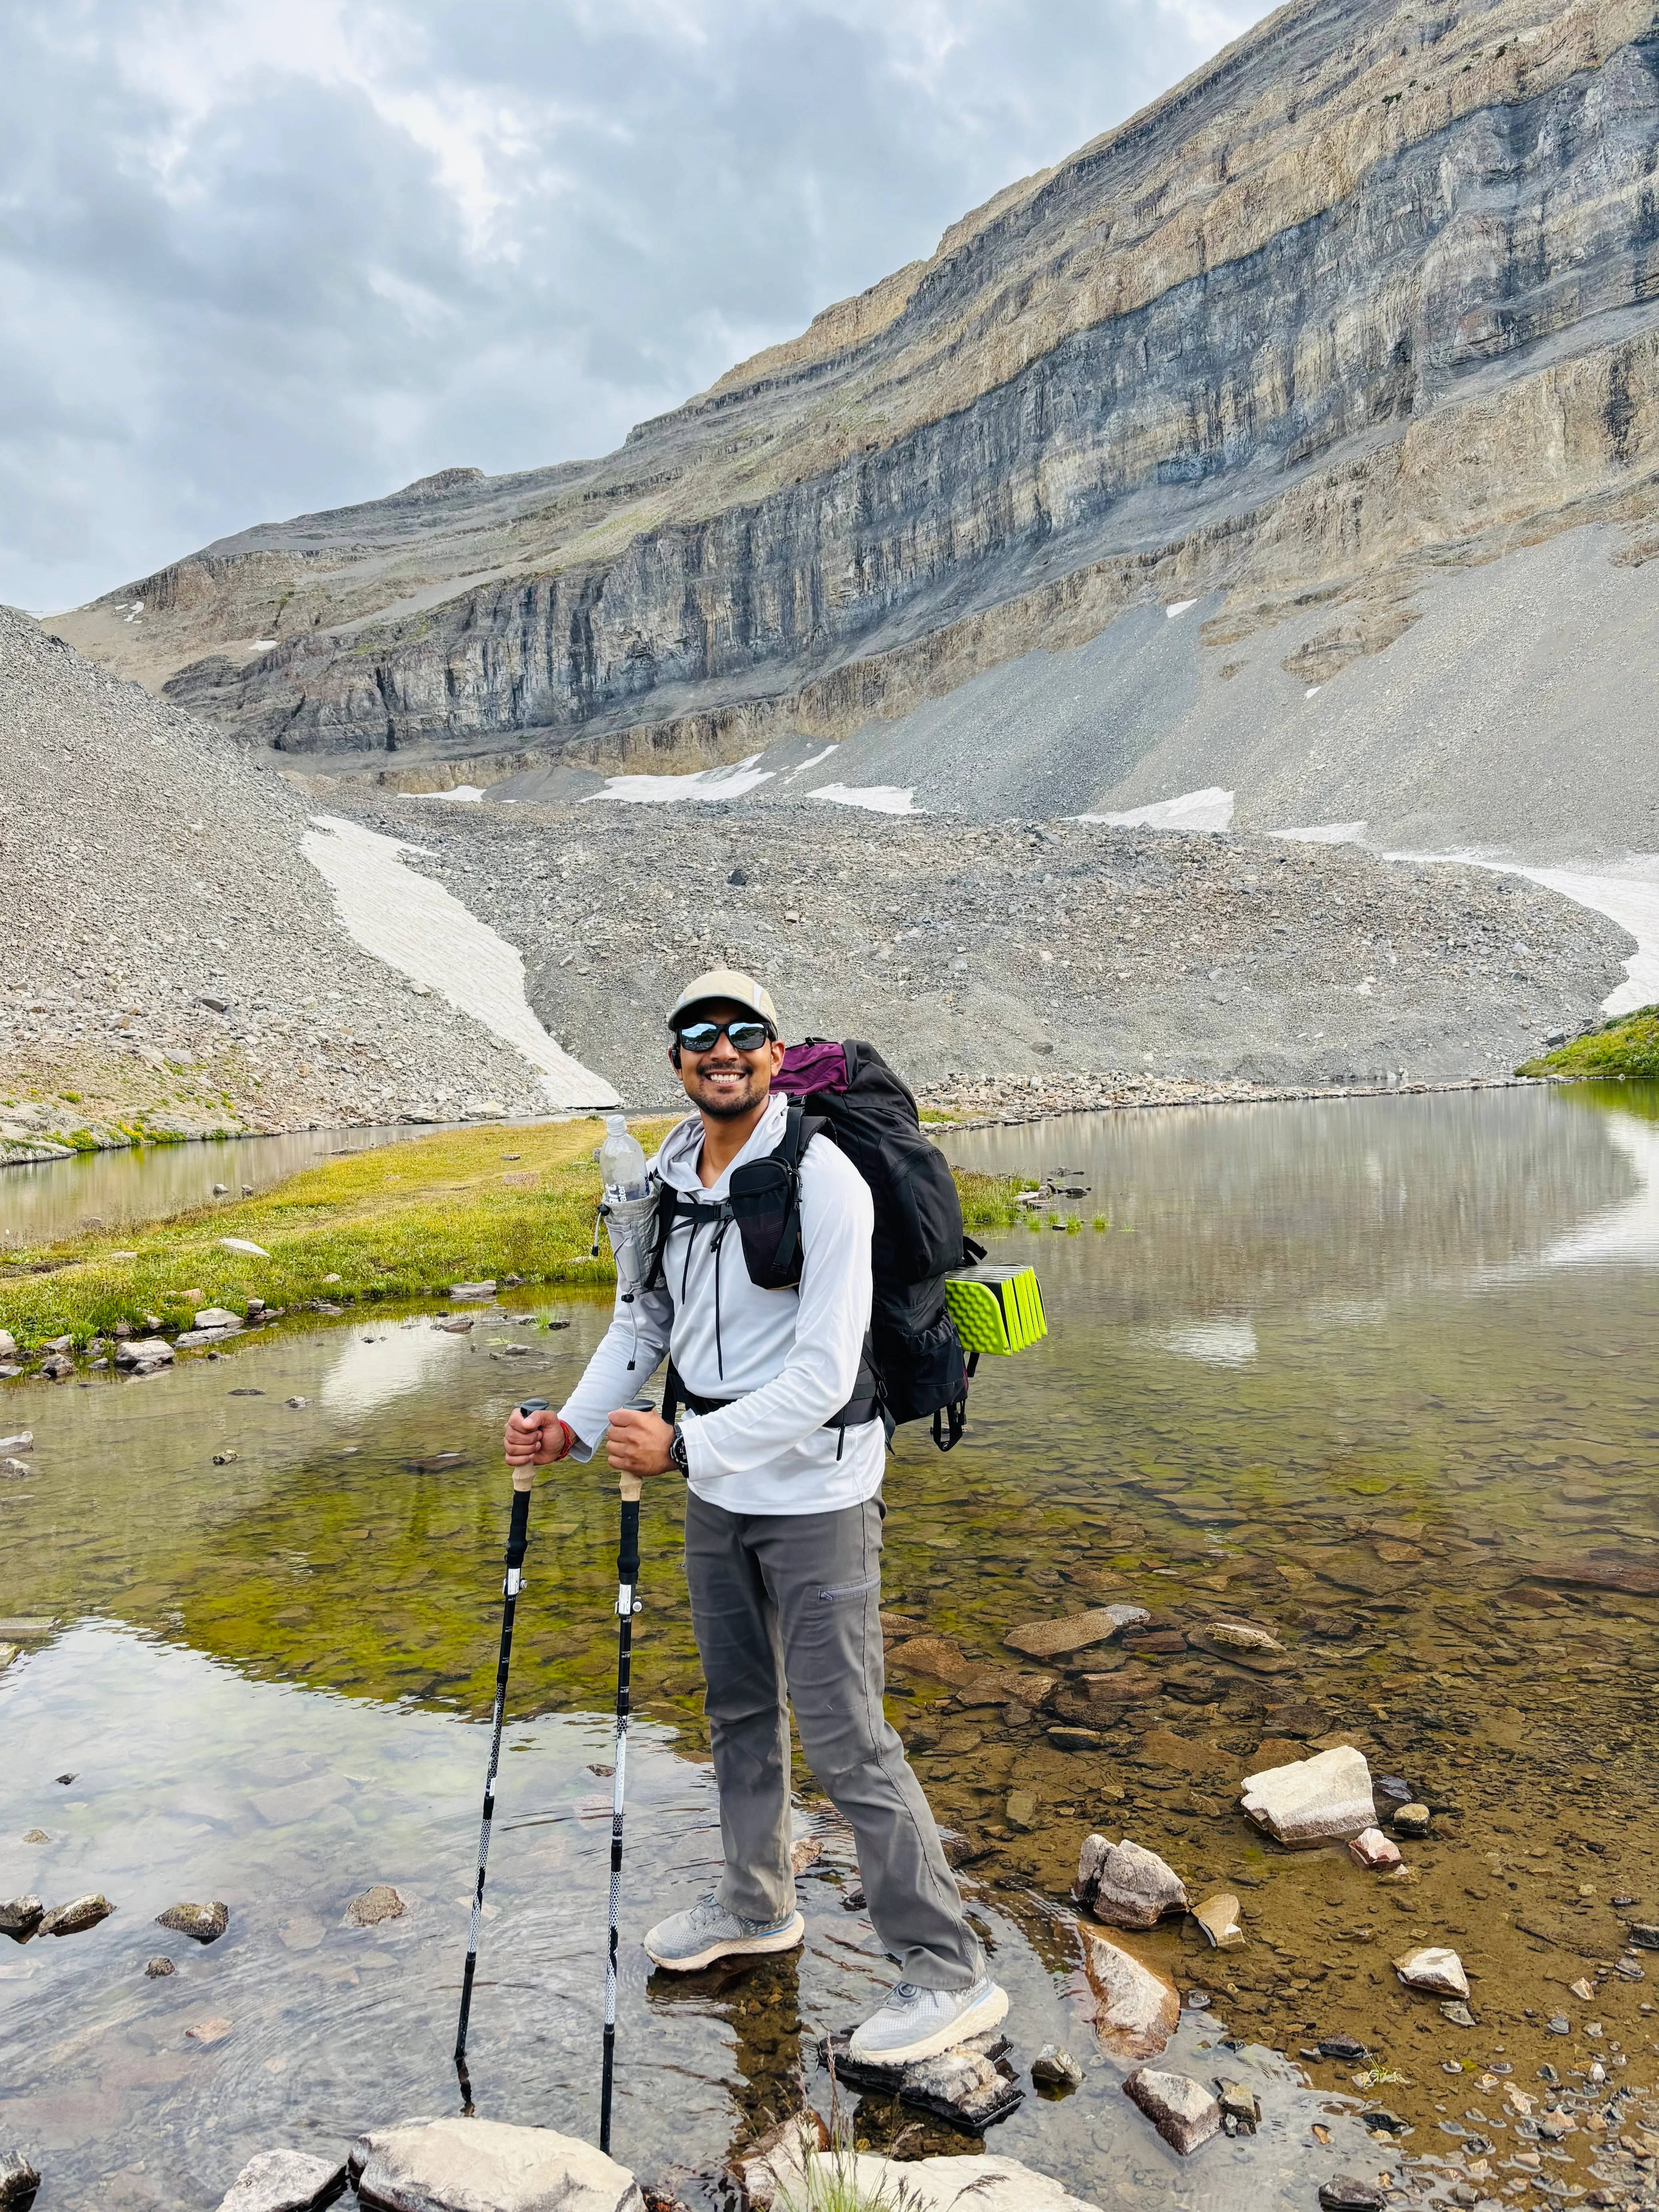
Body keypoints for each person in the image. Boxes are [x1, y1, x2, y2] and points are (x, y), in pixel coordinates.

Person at [504, 969, 1007, 2065]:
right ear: (676, 1056)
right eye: (698, 1033)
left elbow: (828, 1371)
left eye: (743, 1034)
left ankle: (948, 1973)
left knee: (847, 1737)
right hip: (719, 1497)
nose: (719, 1049)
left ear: (775, 1054)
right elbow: (644, 1322)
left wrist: (684, 1445)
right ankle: (754, 1904)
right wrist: (576, 1431)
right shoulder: (668, 1177)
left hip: (818, 1491)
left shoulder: (826, 1177)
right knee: (736, 1711)